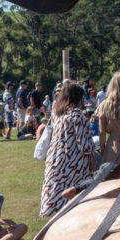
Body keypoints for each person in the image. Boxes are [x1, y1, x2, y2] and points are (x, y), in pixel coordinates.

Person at [39, 81, 95, 218]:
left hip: (55, 155)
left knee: (55, 184)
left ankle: (51, 209)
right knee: (75, 186)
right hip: (73, 158)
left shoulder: (57, 113)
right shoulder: (77, 115)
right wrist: (91, 156)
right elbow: (84, 145)